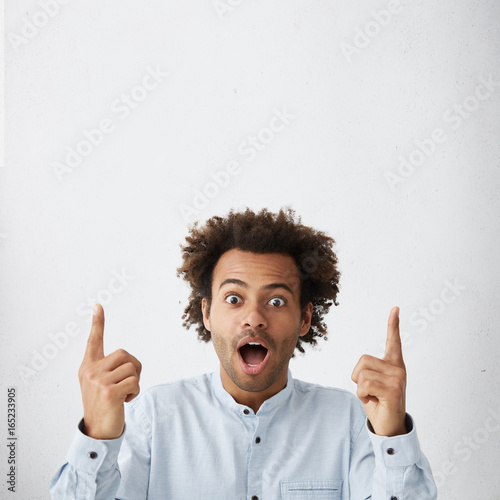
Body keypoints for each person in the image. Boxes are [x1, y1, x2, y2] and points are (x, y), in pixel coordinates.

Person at [50, 207, 437, 499]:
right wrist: (98, 437)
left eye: (276, 301)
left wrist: (392, 435)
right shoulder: (152, 419)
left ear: (305, 319)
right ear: (206, 313)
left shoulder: (350, 423)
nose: (254, 317)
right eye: (234, 298)